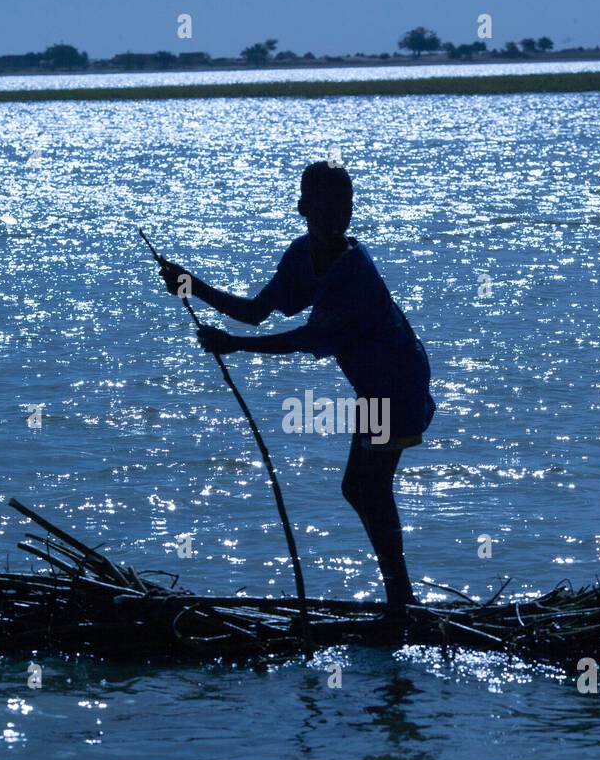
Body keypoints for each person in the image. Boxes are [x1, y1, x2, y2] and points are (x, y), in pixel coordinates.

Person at [156, 161, 435, 615]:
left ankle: (400, 598)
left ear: (350, 211)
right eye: (323, 207)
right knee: (359, 487)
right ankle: (400, 596)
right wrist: (191, 285)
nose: (333, 216)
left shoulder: (353, 272)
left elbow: (304, 340)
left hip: (397, 381)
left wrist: (234, 347)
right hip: (372, 387)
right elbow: (257, 311)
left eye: (342, 207)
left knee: (369, 486)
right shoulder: (301, 256)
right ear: (304, 208)